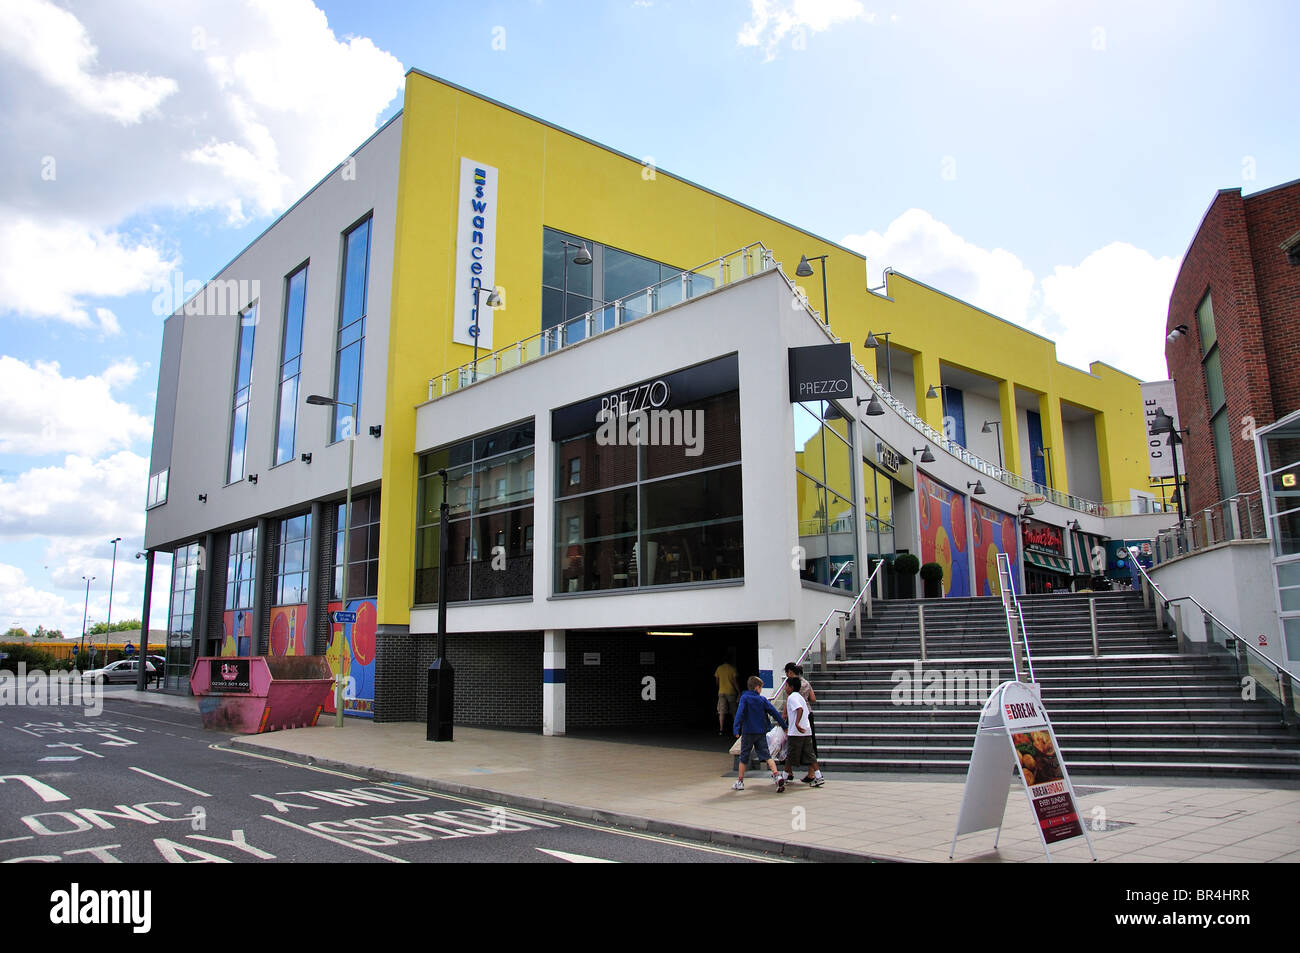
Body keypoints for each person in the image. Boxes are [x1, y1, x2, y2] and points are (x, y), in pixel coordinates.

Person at [732, 676, 787, 792]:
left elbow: (739, 713)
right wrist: (784, 726)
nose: (761, 690)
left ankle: (740, 781)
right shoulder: (762, 700)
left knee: (744, 757)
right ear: (757, 687)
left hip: (747, 732)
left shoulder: (744, 698)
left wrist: (736, 728)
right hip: (761, 732)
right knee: (767, 755)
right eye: (761, 688)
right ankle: (777, 775)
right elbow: (774, 712)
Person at [772, 662, 817, 778]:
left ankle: (788, 772)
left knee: (789, 744)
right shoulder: (806, 683)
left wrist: (784, 716)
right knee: (810, 745)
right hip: (808, 716)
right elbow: (813, 698)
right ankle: (812, 773)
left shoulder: (791, 685)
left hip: (794, 717)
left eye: (787, 673)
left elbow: (788, 702)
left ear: (790, 672)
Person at [784, 676, 825, 787]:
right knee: (810, 755)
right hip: (806, 730)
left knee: (791, 755)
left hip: (796, 732)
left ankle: (783, 778)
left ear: (791, 687)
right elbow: (805, 711)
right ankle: (819, 776)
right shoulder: (801, 697)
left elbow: (800, 709)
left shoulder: (792, 697)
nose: (785, 688)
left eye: (786, 686)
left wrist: (797, 723)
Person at [714, 655, 739, 736]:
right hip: (731, 692)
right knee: (733, 711)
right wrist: (738, 691)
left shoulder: (719, 668)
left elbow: (717, 681)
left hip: (721, 692)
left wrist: (720, 688)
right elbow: (735, 681)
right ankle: (735, 729)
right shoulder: (732, 669)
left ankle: (721, 729)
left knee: (721, 712)